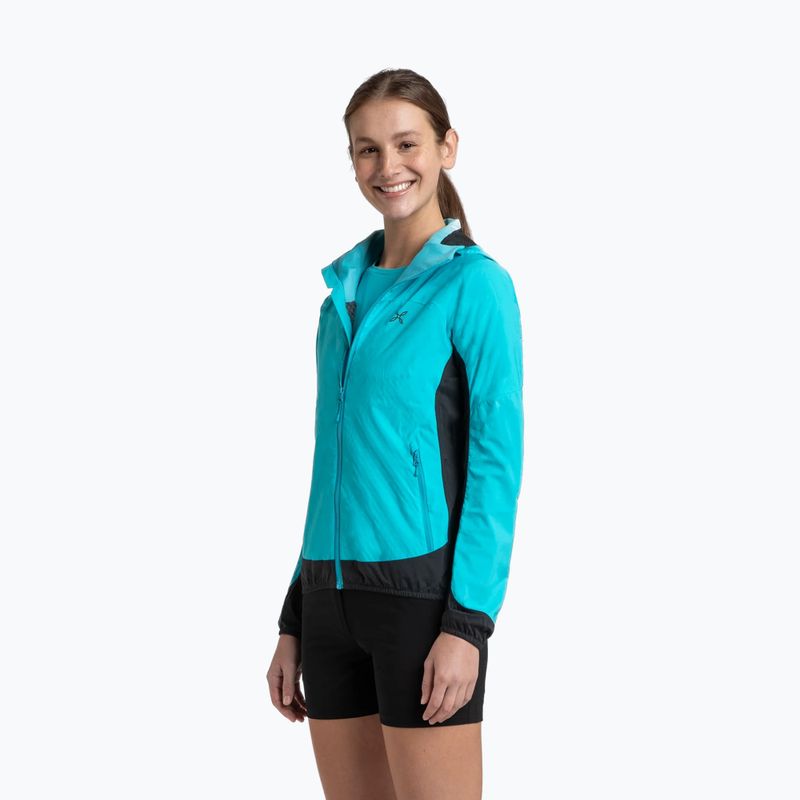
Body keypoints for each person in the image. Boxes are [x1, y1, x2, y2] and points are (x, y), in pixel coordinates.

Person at [266, 67, 524, 799]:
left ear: (447, 147)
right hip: (327, 604)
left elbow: (496, 463)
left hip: (421, 603)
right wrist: (294, 615)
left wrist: (468, 625)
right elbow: (332, 469)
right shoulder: (338, 302)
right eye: (367, 149)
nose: (388, 166)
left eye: (406, 143)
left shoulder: (475, 285)